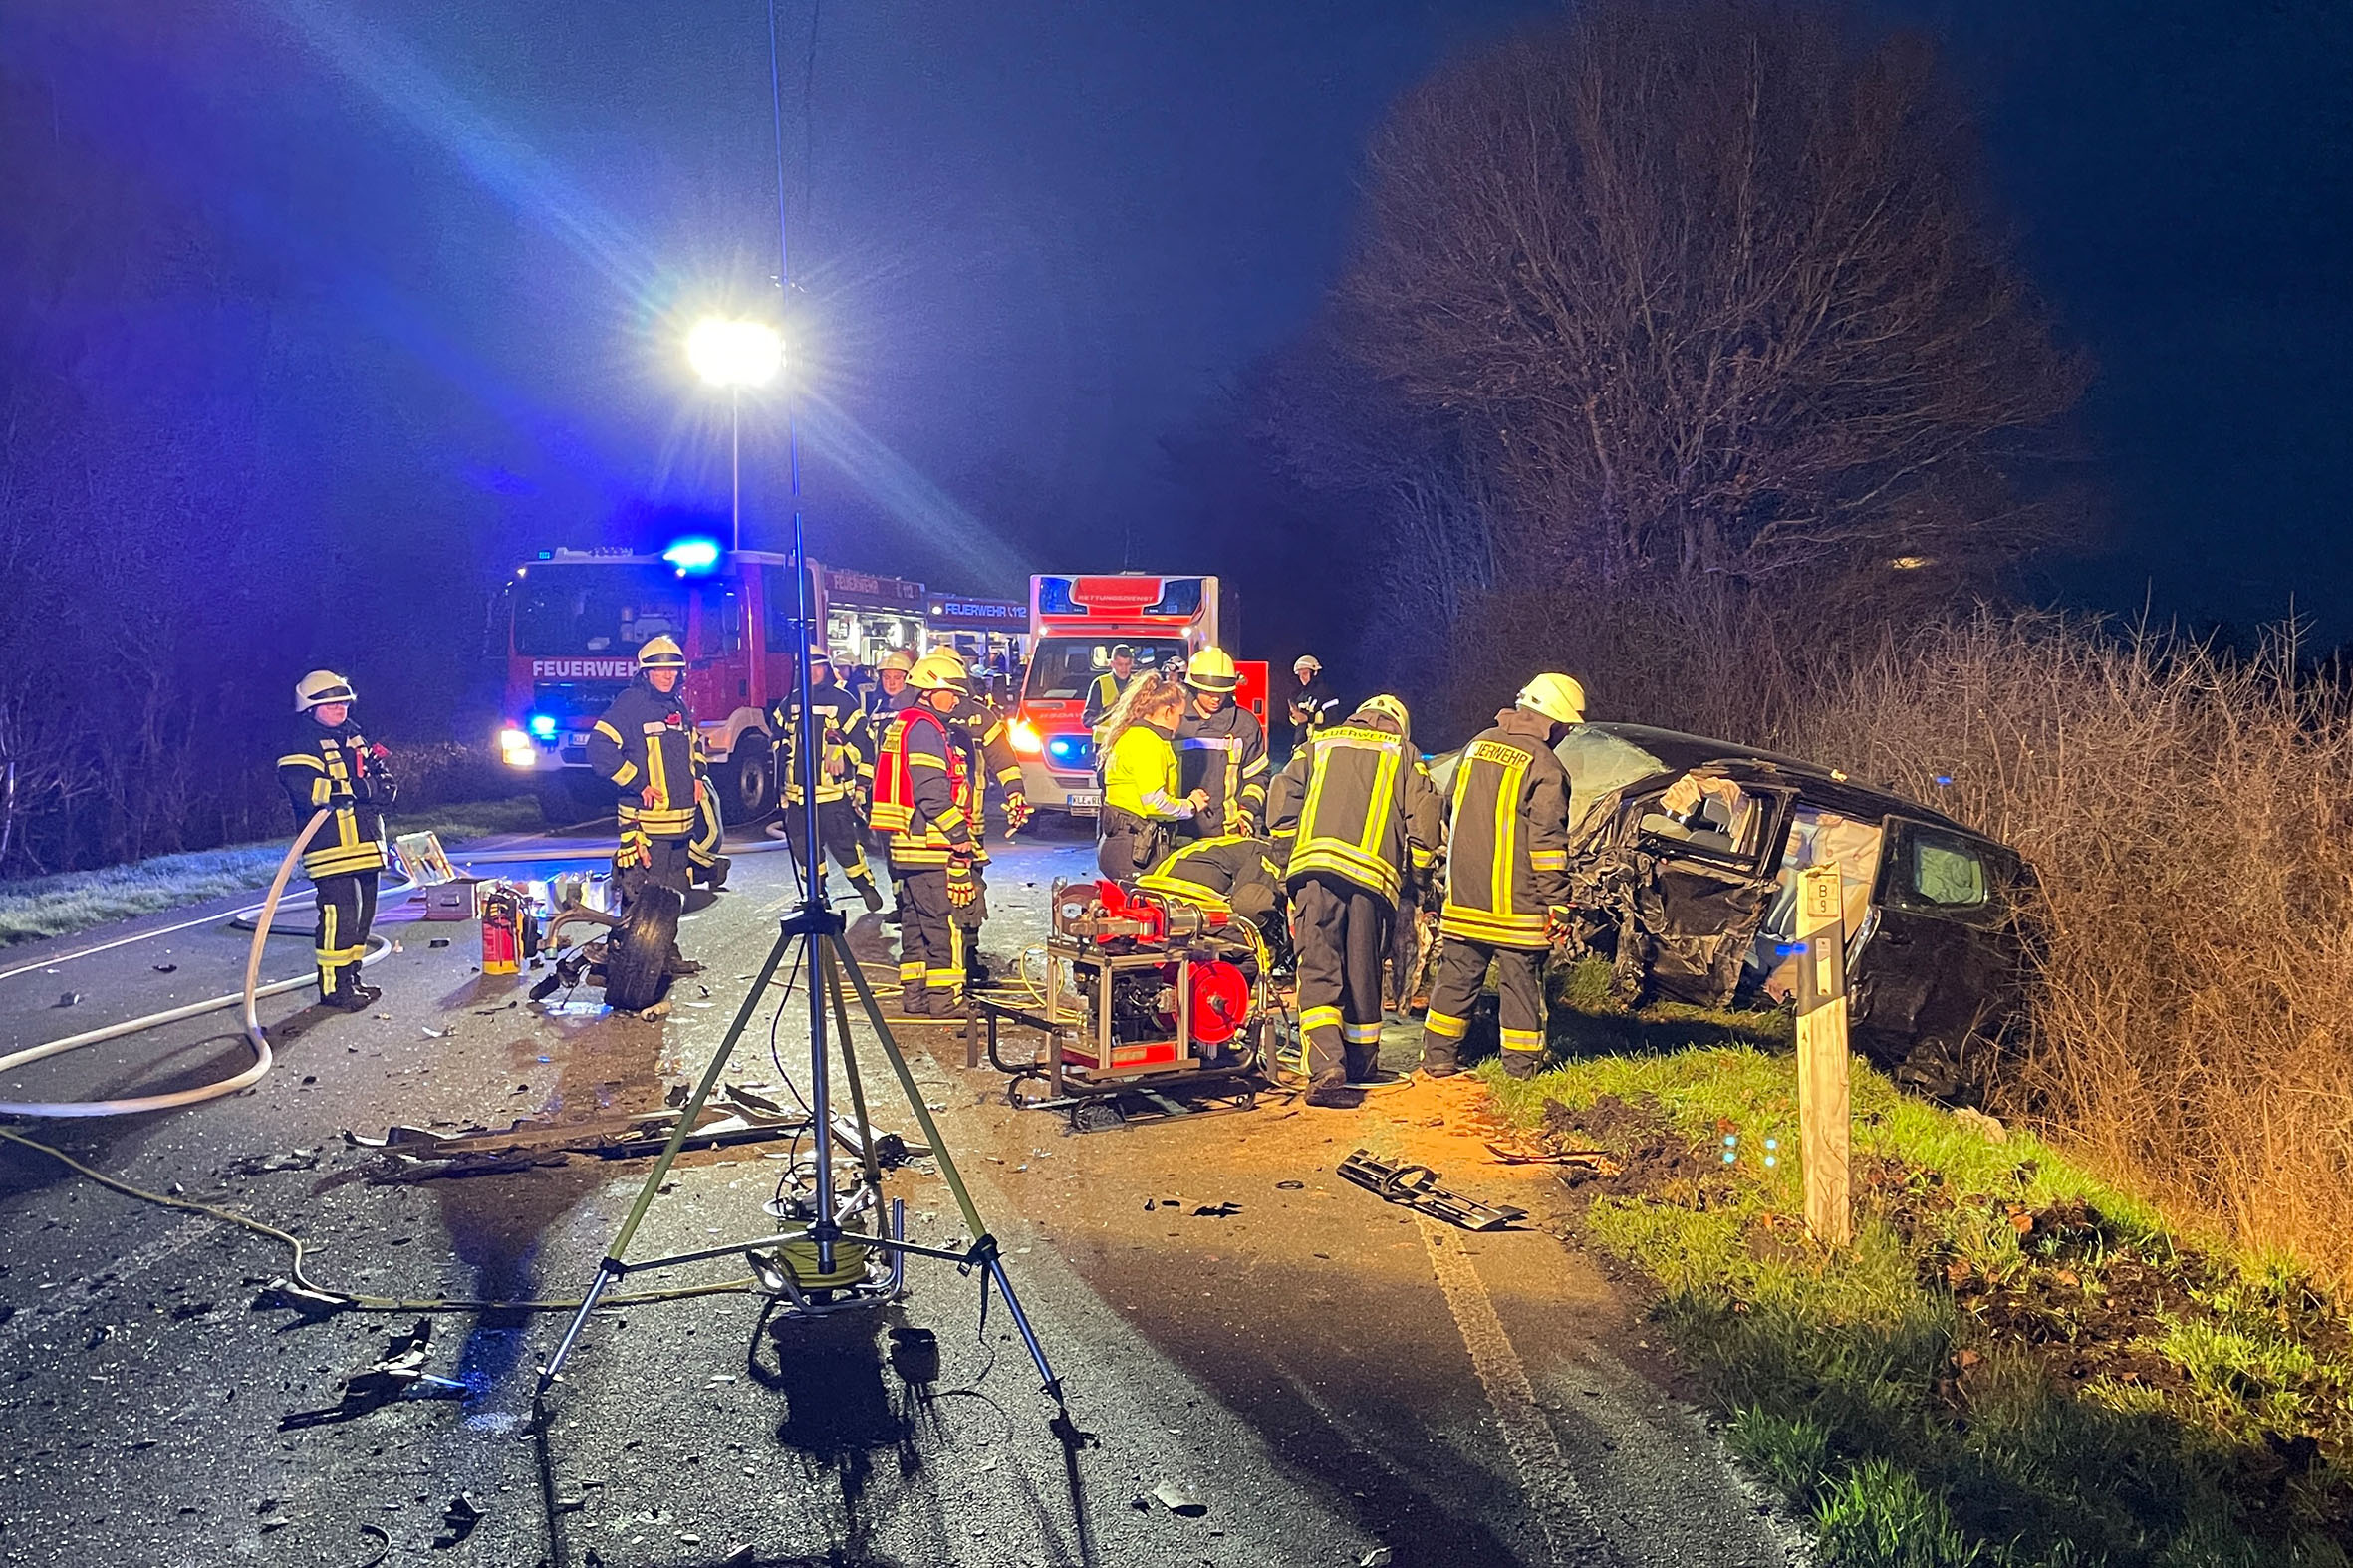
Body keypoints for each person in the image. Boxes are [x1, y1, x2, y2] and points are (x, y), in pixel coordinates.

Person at [1267, 693, 1442, 1106]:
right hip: (1372, 880)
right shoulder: (1405, 754)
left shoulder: (1318, 743)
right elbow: (1424, 822)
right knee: (1363, 971)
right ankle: (1362, 1064)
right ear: (1398, 726)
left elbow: (1282, 799)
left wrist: (1285, 864)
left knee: (1318, 967)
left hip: (1313, 873)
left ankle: (1327, 1064)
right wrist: (1418, 882)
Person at [1419, 673, 1586, 1082]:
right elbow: (1547, 843)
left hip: (1464, 894)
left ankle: (1438, 1058)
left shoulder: (1478, 744)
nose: (1566, 735)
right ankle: (1521, 1069)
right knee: (1520, 983)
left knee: (1456, 977)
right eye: (1566, 727)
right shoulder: (1546, 766)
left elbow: (1449, 805)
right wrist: (1558, 902)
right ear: (1554, 721)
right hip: (1517, 903)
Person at [277, 670, 396, 1012]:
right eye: (330, 705)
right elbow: (304, 787)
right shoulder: (301, 743)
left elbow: (379, 780)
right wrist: (354, 789)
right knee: (338, 917)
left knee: (362, 918)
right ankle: (333, 987)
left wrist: (380, 786)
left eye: (343, 703)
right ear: (310, 708)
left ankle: (352, 978)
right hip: (331, 848)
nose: (339, 708)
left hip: (367, 844)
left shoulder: (354, 737)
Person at [870, 653, 981, 1017]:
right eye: (952, 693)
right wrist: (959, 835)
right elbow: (931, 791)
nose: (957, 701)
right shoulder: (925, 729)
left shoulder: (906, 722)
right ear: (930, 691)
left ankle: (915, 997)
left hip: (907, 845)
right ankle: (945, 1000)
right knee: (942, 924)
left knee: (915, 924)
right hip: (930, 843)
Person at [916, 648, 1032, 986]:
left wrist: (1015, 792)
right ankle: (934, 968)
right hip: (927, 825)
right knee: (925, 900)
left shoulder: (979, 717)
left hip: (967, 822)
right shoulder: (919, 720)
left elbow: (1003, 758)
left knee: (968, 890)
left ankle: (966, 955)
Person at [585, 636, 702, 964]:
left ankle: (664, 950)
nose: (667, 676)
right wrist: (638, 784)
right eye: (660, 670)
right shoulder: (631, 704)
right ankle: (625, 958)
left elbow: (695, 746)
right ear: (645, 673)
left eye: (673, 670)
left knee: (673, 894)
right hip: (646, 824)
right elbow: (598, 749)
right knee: (642, 893)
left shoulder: (676, 705)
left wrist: (698, 776)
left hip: (680, 824)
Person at [770, 647, 886, 912]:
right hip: (799, 795)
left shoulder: (843, 702)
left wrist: (843, 753)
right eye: (807, 669)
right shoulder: (790, 703)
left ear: (826, 669)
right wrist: (784, 758)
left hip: (833, 794)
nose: (812, 673)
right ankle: (816, 893)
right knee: (804, 849)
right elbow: (777, 738)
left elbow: (865, 747)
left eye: (817, 668)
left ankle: (864, 886)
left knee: (844, 845)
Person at [1097, 673, 1207, 879]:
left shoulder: (1135, 735)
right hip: (1133, 849)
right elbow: (1155, 802)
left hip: (1126, 843)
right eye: (1180, 716)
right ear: (1167, 712)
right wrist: (1190, 806)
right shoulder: (1147, 743)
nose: (1181, 723)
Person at [1175, 647, 1269, 839]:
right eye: (1209, 691)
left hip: (1229, 833)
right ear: (1194, 687)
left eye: (1222, 692)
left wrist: (1247, 812)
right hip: (1178, 833)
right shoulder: (1175, 721)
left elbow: (1258, 777)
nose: (1216, 698)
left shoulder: (1244, 725)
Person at [1081, 643, 1140, 733]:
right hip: (1104, 739)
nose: (1124, 669)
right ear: (1112, 664)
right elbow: (1087, 719)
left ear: (1132, 663)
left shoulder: (1138, 684)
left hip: (1131, 738)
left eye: (1127, 665)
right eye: (1120, 665)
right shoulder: (1099, 684)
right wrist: (1106, 717)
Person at [1286, 655, 1339, 754]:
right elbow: (1299, 724)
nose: (1302, 677)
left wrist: (1308, 718)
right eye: (1299, 675)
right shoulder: (1301, 696)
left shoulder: (1326, 693)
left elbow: (1333, 719)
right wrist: (1293, 716)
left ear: (1315, 673)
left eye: (1305, 673)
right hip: (1303, 746)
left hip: (1322, 746)